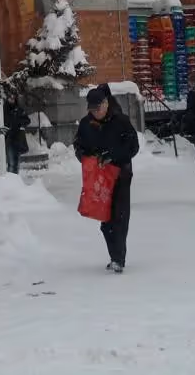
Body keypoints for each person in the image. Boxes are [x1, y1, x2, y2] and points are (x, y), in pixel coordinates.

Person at [74, 83, 139, 271]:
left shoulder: (121, 121)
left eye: (99, 108)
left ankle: (119, 258)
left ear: (106, 104)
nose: (96, 112)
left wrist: (113, 155)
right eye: (92, 110)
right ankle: (114, 256)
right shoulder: (86, 124)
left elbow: (133, 146)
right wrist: (86, 157)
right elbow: (79, 145)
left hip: (120, 174)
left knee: (119, 217)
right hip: (99, 178)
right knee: (105, 219)